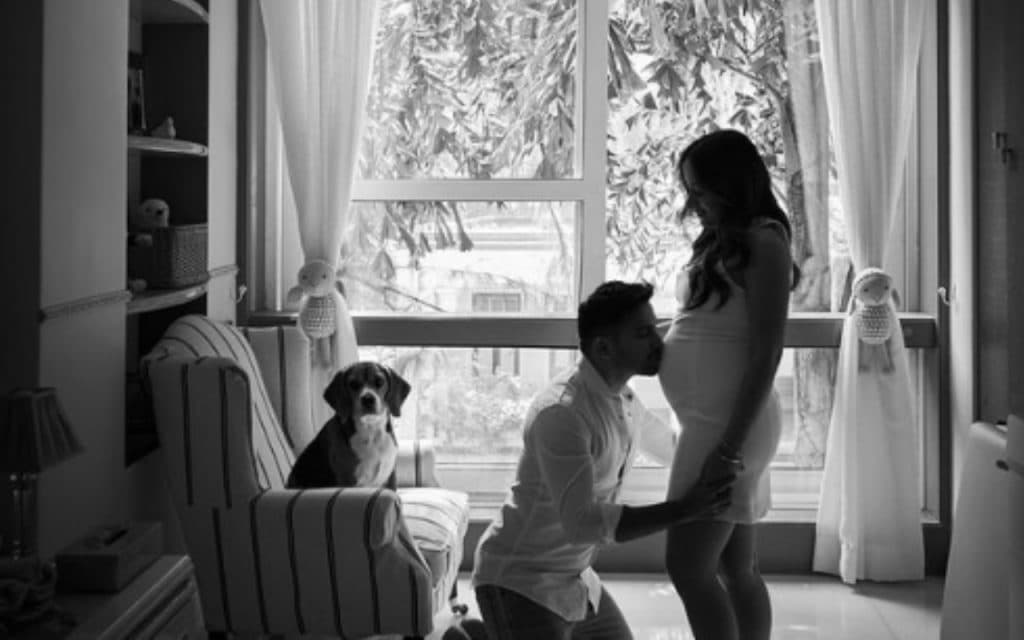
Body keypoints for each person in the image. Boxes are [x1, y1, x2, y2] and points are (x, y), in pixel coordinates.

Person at [471, 280, 734, 640]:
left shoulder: (623, 399)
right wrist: (684, 510)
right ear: (604, 348)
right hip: (520, 581)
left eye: (655, 329)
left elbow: (672, 447)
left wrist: (730, 447)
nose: (659, 343)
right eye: (643, 334)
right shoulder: (562, 414)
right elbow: (583, 524)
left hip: (577, 579)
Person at [658, 129, 800, 640]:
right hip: (708, 421)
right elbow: (708, 324)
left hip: (728, 425)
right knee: (736, 568)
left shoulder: (764, 241)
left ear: (733, 183)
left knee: (687, 566)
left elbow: (767, 350)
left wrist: (728, 447)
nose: (693, 202)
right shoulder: (724, 240)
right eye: (690, 190)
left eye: (702, 190)